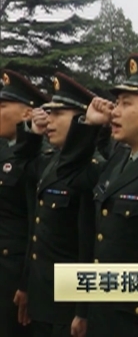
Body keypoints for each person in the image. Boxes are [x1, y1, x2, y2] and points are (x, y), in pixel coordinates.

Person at [55, 54, 138, 337]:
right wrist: (88, 125)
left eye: (126, 104)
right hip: (104, 315)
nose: (115, 111)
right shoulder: (118, 161)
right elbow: (71, 175)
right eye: (116, 103)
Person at [14, 73, 101, 337]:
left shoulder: (92, 168)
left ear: (82, 119)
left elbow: (88, 246)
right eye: (48, 113)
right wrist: (32, 133)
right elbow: (22, 169)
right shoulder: (50, 160)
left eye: (58, 114)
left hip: (68, 305)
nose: (49, 120)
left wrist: (82, 309)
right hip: (42, 296)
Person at [0, 69, 48, 337]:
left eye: (3, 107)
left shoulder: (38, 157)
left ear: (28, 114)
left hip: (14, 273)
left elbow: (34, 223)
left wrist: (26, 283)